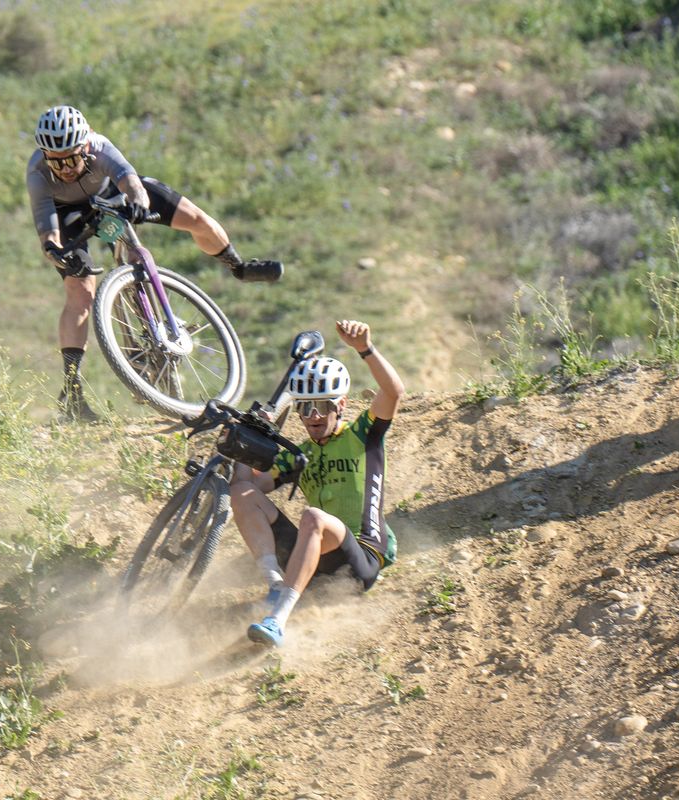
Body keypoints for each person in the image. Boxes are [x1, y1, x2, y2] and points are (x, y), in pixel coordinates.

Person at [25, 104, 283, 422]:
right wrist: (55, 251)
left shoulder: (101, 146)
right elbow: (47, 228)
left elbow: (130, 180)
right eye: (56, 161)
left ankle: (239, 266)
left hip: (112, 193)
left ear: (86, 145)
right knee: (80, 291)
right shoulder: (37, 173)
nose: (64, 168)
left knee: (196, 219)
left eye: (72, 159)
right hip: (67, 214)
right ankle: (71, 390)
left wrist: (139, 203)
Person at [229, 320, 405, 647]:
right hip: (314, 564)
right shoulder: (302, 455)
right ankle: (275, 585)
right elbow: (244, 489)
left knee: (313, 517)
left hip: (361, 558)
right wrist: (246, 442)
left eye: (322, 405)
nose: (313, 415)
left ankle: (277, 620)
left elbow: (393, 392)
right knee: (241, 492)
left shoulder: (361, 435)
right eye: (304, 407)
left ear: (341, 405)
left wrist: (365, 349)